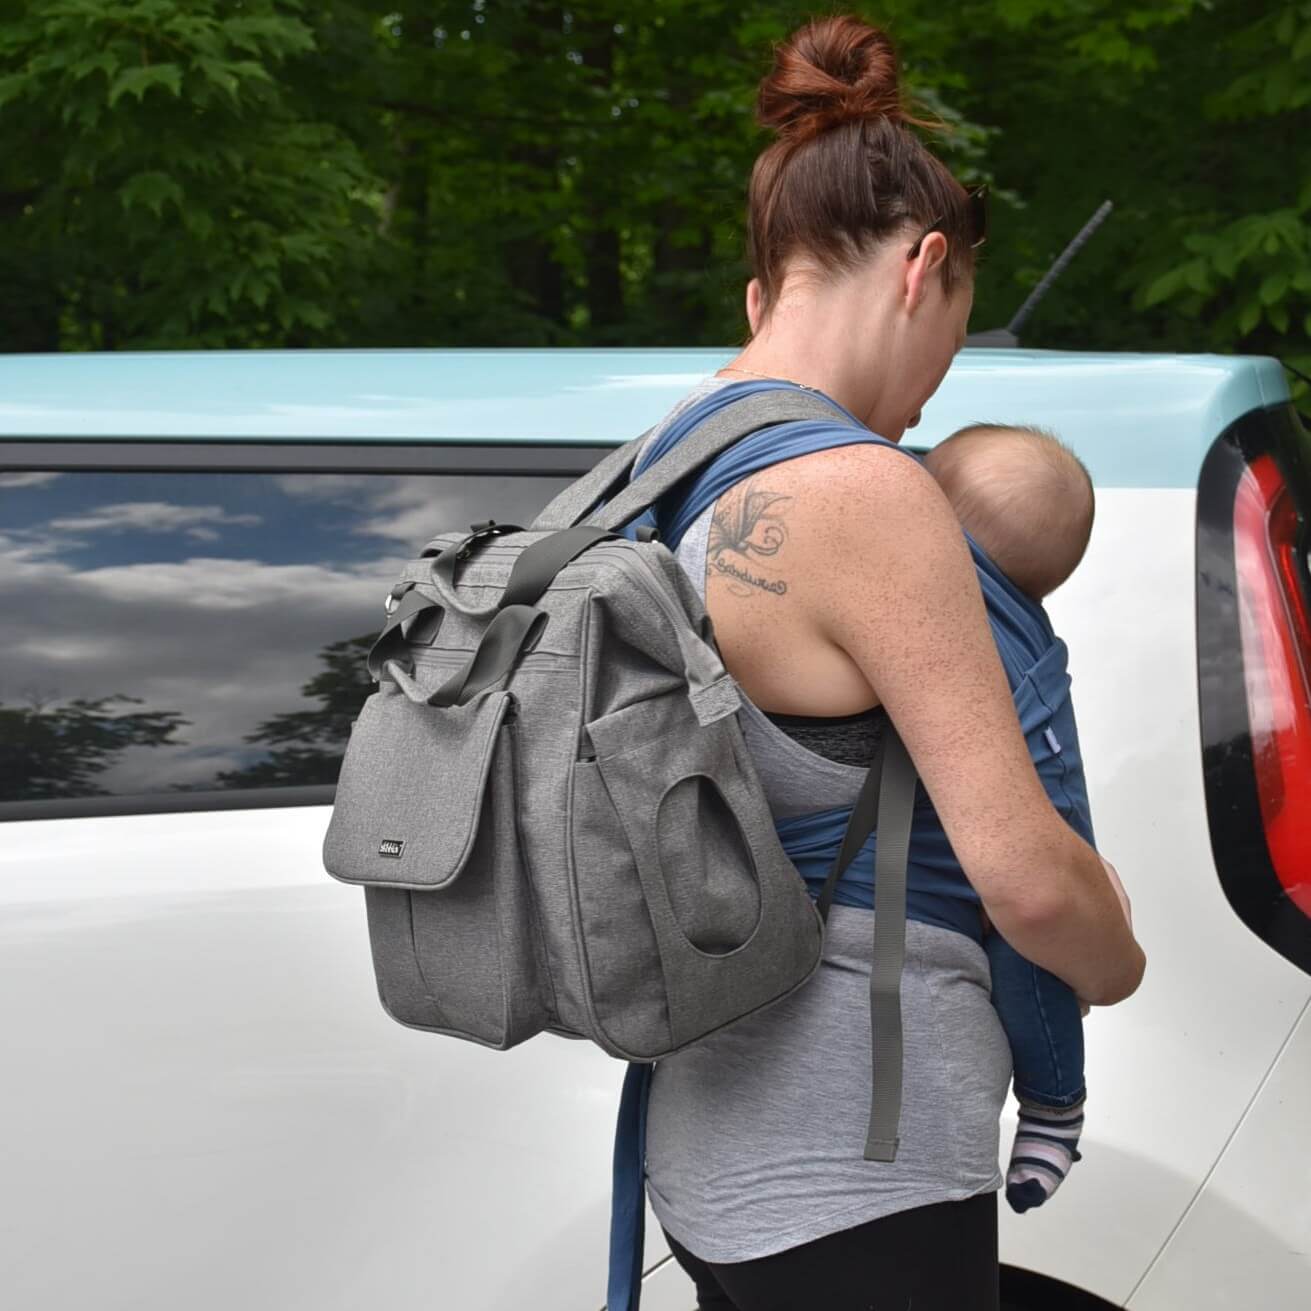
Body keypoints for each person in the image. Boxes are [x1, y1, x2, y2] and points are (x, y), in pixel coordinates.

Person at [625, 15, 1145, 1311]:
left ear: (761, 296)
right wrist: (1114, 957)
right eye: (954, 336)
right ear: (923, 269)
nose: (927, 397)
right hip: (858, 1164)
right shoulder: (865, 490)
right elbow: (1024, 882)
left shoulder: (668, 460)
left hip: (704, 1152)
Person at [924, 423, 1098, 1213]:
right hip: (962, 848)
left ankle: (1056, 1103)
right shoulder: (939, 599)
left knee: (1032, 961)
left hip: (1037, 839)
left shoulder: (977, 624)